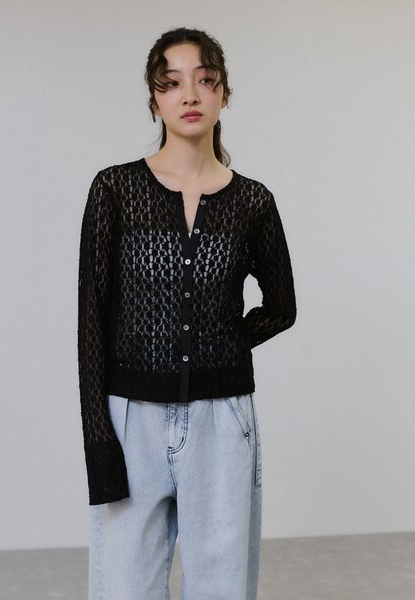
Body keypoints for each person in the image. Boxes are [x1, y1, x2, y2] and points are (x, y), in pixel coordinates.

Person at [78, 26, 297, 600]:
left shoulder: (253, 202)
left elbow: (282, 307)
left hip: (221, 423)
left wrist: (218, 343)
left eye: (206, 80)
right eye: (172, 83)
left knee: (222, 589)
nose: (190, 95)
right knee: (124, 589)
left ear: (224, 94)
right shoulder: (115, 190)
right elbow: (91, 323)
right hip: (132, 422)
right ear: (155, 101)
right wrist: (99, 442)